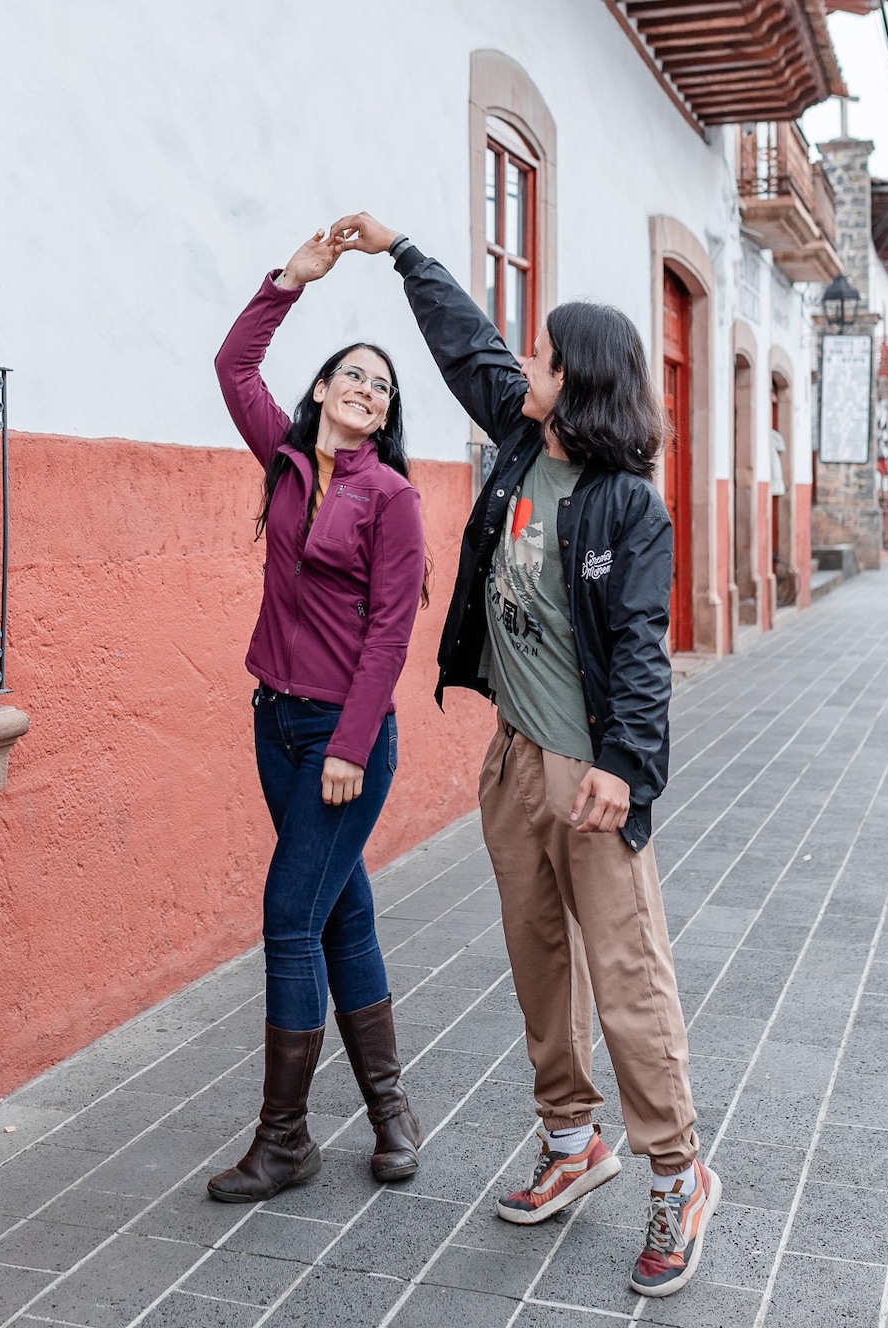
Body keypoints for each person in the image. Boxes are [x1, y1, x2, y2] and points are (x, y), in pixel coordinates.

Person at [328, 212, 719, 1302]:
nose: (525, 363)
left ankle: (677, 1174)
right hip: (512, 763)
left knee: (628, 978)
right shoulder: (518, 441)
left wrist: (624, 769)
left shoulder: (626, 506)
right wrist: (404, 254)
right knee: (539, 961)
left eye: (542, 355)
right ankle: (571, 1140)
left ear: (577, 381)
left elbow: (641, 651)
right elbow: (467, 345)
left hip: (591, 777)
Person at [207, 231, 427, 1204]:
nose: (368, 388)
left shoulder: (393, 498)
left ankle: (285, 1140)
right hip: (277, 725)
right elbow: (234, 366)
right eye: (355, 374)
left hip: (345, 740)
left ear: (385, 413)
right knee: (342, 910)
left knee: (290, 916)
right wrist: (289, 281)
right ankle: (391, 1114)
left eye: (383, 385)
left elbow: (390, 634)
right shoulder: (288, 461)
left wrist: (350, 744)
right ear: (325, 388)